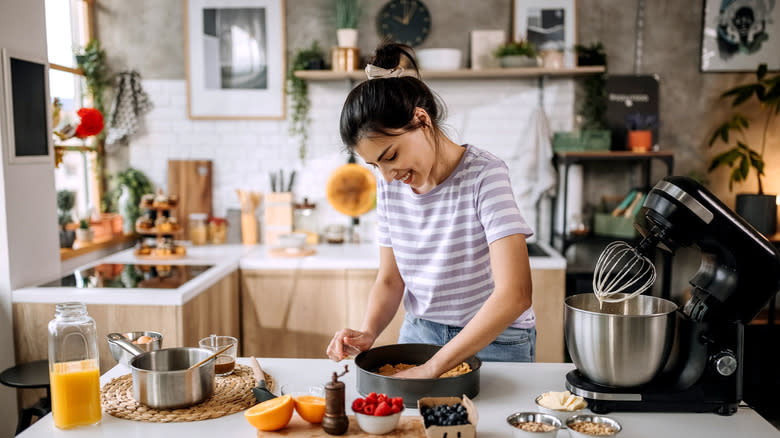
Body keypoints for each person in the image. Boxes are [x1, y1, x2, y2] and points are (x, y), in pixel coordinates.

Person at [326, 42, 535, 379]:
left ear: (421, 119)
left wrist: (434, 367)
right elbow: (391, 279)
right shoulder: (389, 183)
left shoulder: (485, 175)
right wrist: (368, 332)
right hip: (419, 334)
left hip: (495, 341)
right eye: (374, 165)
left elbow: (515, 294)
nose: (387, 175)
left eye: (391, 156)